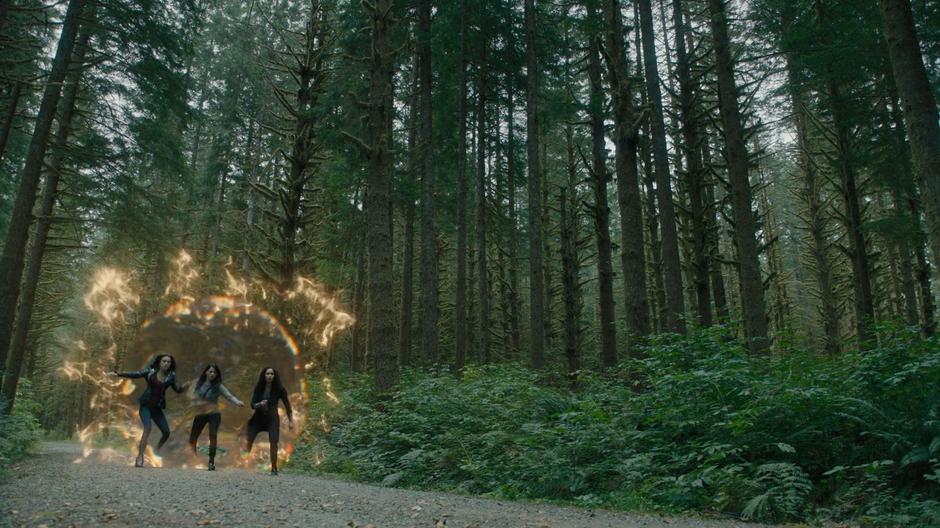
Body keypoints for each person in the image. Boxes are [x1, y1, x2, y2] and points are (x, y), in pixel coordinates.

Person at [110, 354, 187, 467]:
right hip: (145, 406)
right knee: (147, 428)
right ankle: (140, 457)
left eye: (168, 362)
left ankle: (156, 451)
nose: (166, 363)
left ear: (171, 364)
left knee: (166, 432)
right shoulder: (150, 372)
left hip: (157, 409)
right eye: (164, 361)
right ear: (159, 363)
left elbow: (178, 390)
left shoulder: (171, 376)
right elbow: (136, 374)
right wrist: (118, 374)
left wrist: (185, 387)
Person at [189, 363, 244, 471]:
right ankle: (194, 458)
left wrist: (237, 402)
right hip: (201, 414)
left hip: (214, 414)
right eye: (210, 371)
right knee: (193, 437)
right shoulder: (199, 384)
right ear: (206, 372)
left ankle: (211, 462)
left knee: (213, 435)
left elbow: (228, 395)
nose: (212, 374)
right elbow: (194, 397)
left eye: (214, 372)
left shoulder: (218, 386)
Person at [244, 367, 294, 475]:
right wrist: (260, 404)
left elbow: (287, 405)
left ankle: (274, 467)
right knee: (249, 438)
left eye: (272, 374)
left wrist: (290, 421)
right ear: (264, 375)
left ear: (274, 376)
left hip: (272, 419)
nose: (270, 376)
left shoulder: (280, 389)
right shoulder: (259, 387)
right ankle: (244, 462)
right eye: (267, 374)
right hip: (258, 418)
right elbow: (252, 404)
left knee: (273, 441)